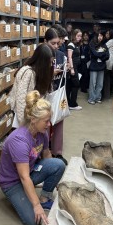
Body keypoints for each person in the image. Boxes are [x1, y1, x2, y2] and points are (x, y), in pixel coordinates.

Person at [0, 90, 67, 225]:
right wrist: (35, 206)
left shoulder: (42, 133)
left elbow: (47, 156)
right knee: (34, 221)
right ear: (34, 120)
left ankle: (44, 198)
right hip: (13, 182)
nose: (49, 124)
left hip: (29, 171)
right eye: (46, 121)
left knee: (59, 164)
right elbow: (24, 177)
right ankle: (25, 198)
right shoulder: (19, 141)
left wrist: (55, 178)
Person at [8, 43, 54, 127]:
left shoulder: (42, 72)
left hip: (36, 118)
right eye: (49, 62)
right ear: (42, 61)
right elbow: (20, 99)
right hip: (26, 120)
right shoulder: (27, 72)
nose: (51, 65)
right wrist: (24, 124)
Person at [44, 28, 68, 165]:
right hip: (45, 93)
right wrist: (51, 73)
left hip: (57, 92)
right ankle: (45, 152)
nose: (56, 46)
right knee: (45, 124)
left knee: (59, 120)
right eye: (53, 43)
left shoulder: (60, 55)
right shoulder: (42, 54)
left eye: (57, 43)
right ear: (45, 41)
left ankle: (57, 153)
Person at [88, 31, 109, 105]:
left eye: (101, 36)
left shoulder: (104, 45)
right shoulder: (92, 44)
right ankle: (91, 99)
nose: (100, 37)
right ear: (96, 36)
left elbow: (107, 56)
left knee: (100, 84)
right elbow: (94, 53)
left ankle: (97, 98)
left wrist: (99, 55)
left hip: (102, 67)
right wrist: (102, 54)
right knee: (92, 83)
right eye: (99, 35)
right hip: (94, 66)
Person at [66, 28, 83, 110]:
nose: (79, 38)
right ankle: (73, 104)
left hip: (75, 67)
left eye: (80, 36)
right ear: (74, 35)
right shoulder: (71, 45)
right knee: (76, 85)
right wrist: (72, 69)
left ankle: (69, 104)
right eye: (78, 36)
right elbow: (69, 57)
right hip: (73, 68)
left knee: (70, 85)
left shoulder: (76, 45)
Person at [102, 29, 113, 100]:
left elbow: (103, 48)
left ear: (111, 34)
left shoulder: (111, 41)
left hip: (108, 62)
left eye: (108, 34)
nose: (106, 35)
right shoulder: (112, 41)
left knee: (105, 79)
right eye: (106, 33)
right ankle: (106, 95)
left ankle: (105, 95)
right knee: (107, 78)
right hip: (109, 62)